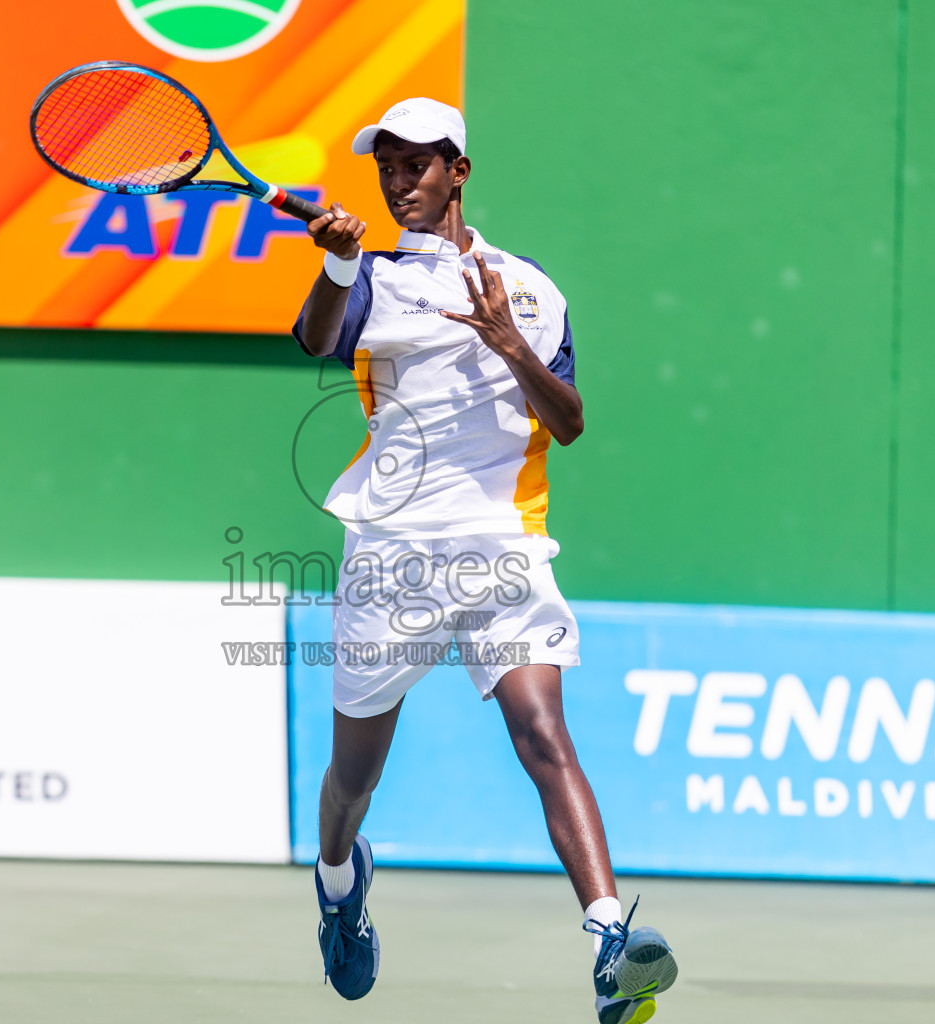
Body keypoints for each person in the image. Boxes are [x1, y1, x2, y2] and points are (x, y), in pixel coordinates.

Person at [290, 98, 679, 1024]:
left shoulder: (532, 290)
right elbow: (315, 337)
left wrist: (508, 344)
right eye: (385, 167)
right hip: (391, 561)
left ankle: (608, 942)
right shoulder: (374, 278)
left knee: (545, 736)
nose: (397, 184)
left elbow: (570, 423)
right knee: (354, 779)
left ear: (458, 171)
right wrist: (340, 260)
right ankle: (339, 885)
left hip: (504, 552)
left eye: (415, 166)